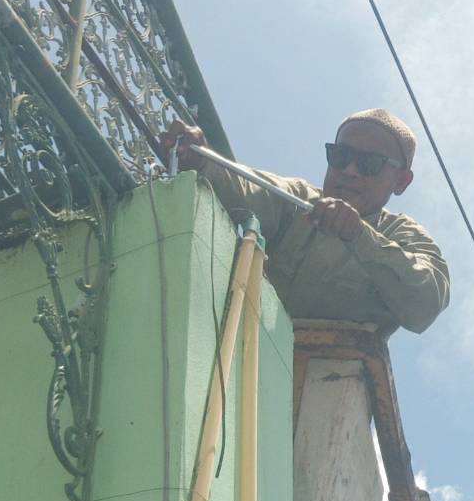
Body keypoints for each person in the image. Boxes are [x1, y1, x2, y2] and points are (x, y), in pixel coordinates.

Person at [161, 108, 449, 335]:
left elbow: (425, 303)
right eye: (341, 156)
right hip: (246, 358)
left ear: (401, 181)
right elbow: (249, 188)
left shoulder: (401, 233)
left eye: (369, 164)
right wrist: (202, 161)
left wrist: (358, 235)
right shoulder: (300, 198)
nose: (350, 170)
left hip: (332, 382)